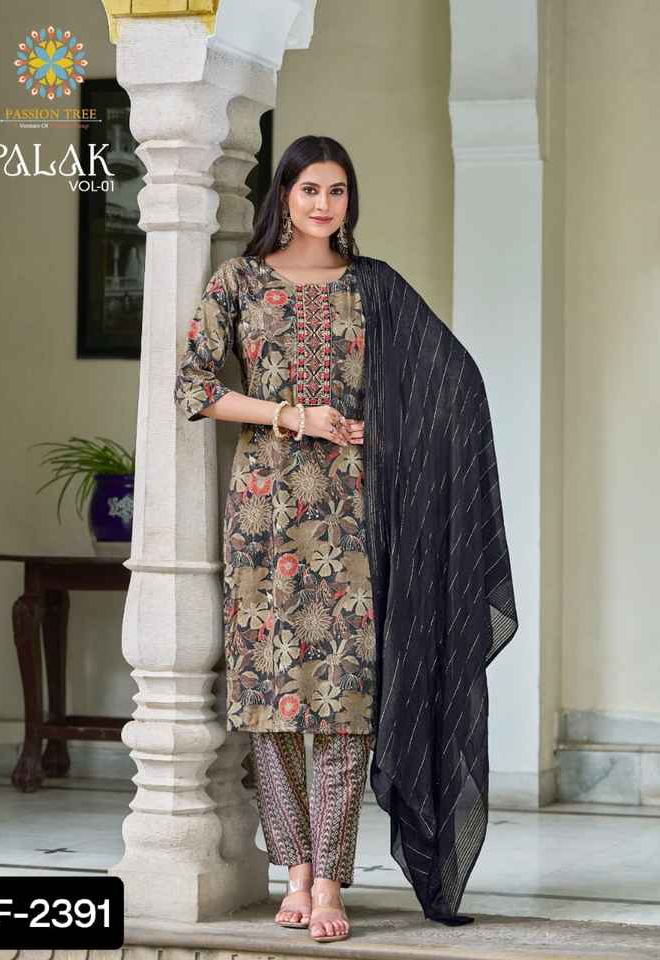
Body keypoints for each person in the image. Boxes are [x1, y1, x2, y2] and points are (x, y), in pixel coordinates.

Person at [175, 135, 518, 939]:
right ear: (284, 196)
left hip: (355, 516)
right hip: (262, 517)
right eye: (310, 190)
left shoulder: (375, 287)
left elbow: (452, 381)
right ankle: (291, 873)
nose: (324, 204)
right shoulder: (238, 282)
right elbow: (195, 387)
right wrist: (292, 414)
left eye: (337, 191)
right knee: (269, 702)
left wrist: (401, 438)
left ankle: (328, 881)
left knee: (343, 701)